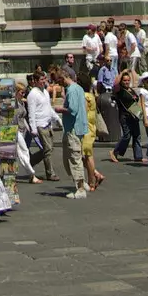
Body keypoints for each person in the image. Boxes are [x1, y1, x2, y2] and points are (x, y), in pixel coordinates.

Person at [59, 68, 88, 199]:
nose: (59, 83)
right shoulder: (79, 88)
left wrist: (60, 109)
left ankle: (81, 188)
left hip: (73, 128)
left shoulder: (71, 90)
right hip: (79, 127)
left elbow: (73, 110)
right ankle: (80, 184)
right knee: (72, 157)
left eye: (60, 80)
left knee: (74, 157)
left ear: (64, 77)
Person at [25, 73, 59, 183]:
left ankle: (30, 161)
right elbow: (31, 112)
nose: (43, 81)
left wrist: (57, 118)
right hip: (40, 124)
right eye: (41, 79)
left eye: (44, 78)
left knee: (48, 149)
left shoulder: (45, 92)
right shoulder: (32, 94)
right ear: (35, 81)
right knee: (48, 149)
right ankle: (50, 173)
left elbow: (49, 108)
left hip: (48, 123)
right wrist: (33, 128)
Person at [109, 69, 144, 166]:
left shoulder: (131, 90)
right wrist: (122, 72)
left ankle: (138, 156)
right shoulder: (119, 90)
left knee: (137, 136)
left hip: (134, 115)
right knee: (126, 135)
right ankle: (115, 152)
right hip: (125, 116)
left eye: (128, 80)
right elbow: (115, 83)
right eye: (124, 80)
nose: (126, 82)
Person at [79, 70, 104, 192]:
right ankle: (95, 173)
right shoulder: (91, 96)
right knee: (85, 155)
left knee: (87, 156)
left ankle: (92, 181)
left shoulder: (83, 96)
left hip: (85, 128)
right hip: (92, 127)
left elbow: (82, 113)